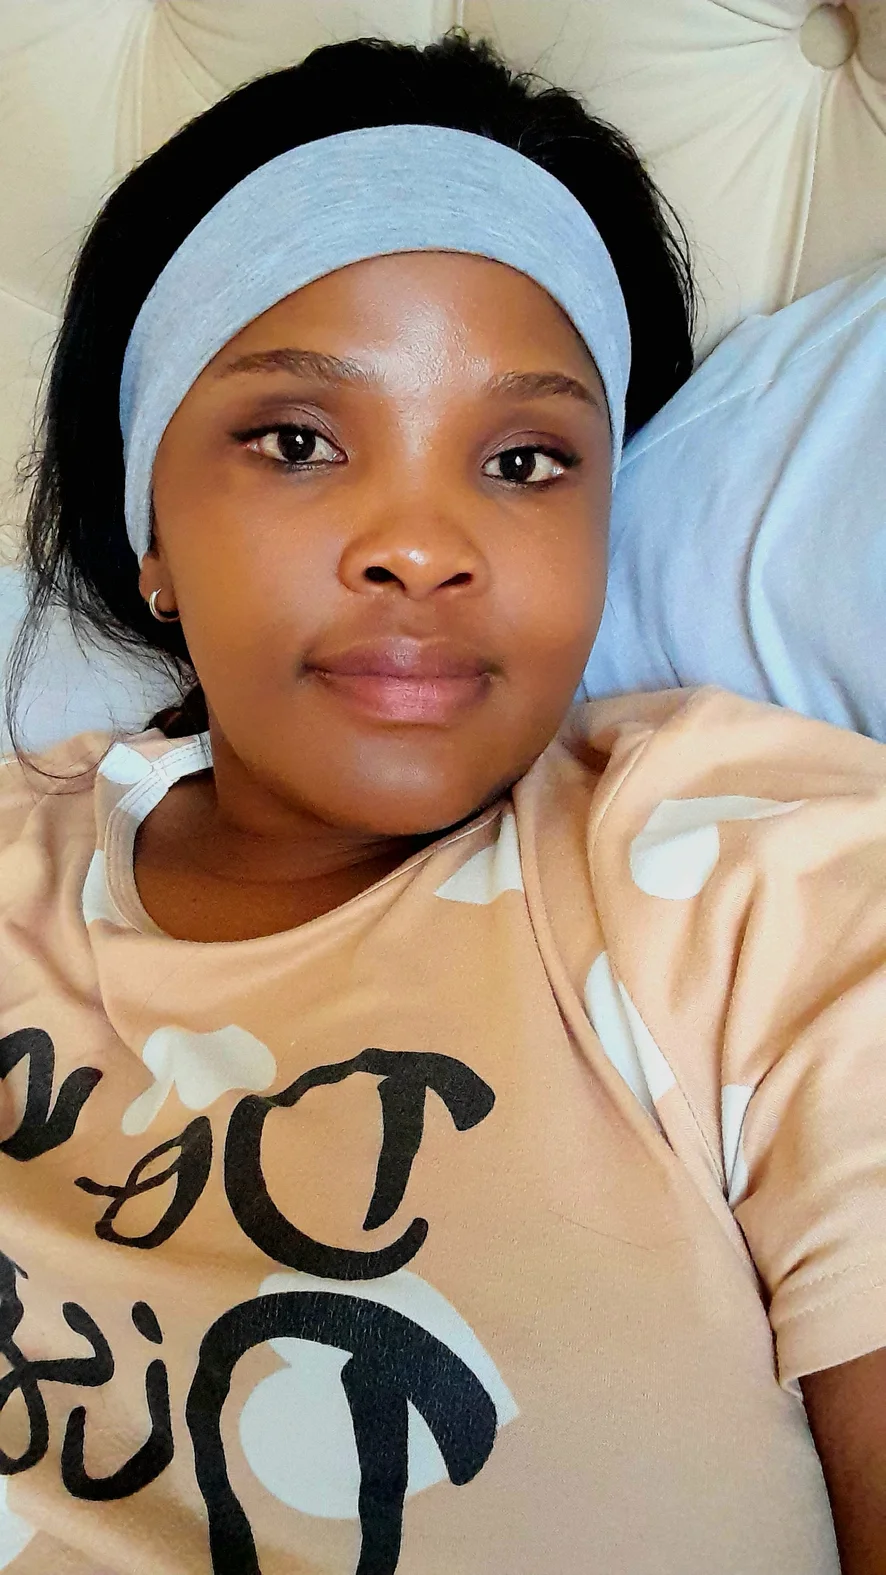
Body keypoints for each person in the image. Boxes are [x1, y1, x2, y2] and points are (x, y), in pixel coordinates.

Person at [0, 29, 883, 1575]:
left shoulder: (761, 882)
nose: (420, 545)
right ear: (152, 531)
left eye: (526, 460)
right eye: (297, 442)